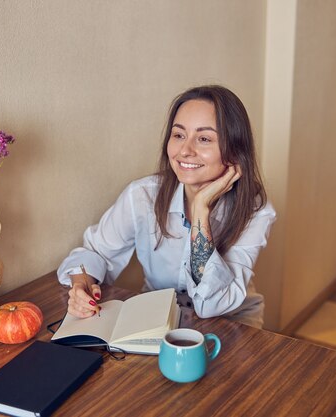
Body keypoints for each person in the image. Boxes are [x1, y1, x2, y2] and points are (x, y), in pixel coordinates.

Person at [57, 85, 276, 328]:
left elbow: (211, 305)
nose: (185, 150)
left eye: (204, 139)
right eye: (179, 135)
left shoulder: (255, 210)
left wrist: (201, 210)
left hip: (232, 322)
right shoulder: (142, 196)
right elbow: (95, 252)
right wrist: (80, 284)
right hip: (157, 315)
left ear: (235, 150)